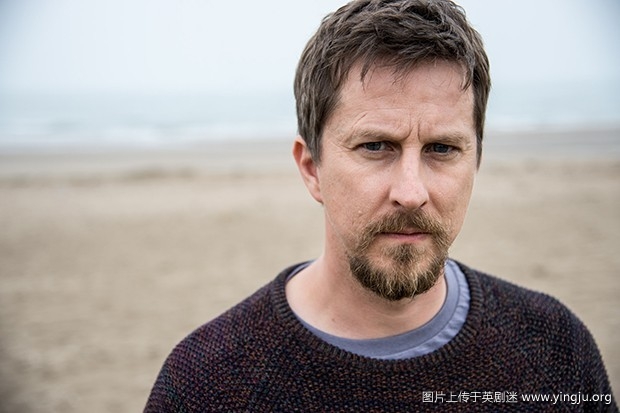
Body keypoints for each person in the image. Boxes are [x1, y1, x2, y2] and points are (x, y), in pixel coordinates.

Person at [145, 0, 617, 411]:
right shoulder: (206, 383)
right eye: (375, 146)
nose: (411, 192)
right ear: (311, 168)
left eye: (442, 149)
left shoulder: (556, 350)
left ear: (476, 162)